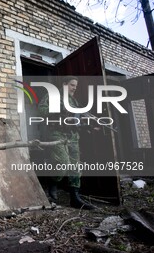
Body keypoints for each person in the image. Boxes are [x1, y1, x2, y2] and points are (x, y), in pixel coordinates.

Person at [38, 76, 96, 210]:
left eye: (76, 86)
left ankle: (75, 199)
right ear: (64, 84)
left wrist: (88, 123)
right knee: (63, 164)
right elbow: (41, 110)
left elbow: (77, 117)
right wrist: (59, 110)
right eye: (72, 85)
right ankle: (53, 183)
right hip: (57, 134)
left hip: (73, 136)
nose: (74, 88)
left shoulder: (73, 100)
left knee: (76, 167)